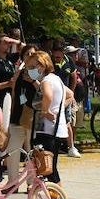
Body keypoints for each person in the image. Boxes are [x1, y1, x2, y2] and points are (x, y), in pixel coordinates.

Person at [25, 51, 70, 182]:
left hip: (48, 130)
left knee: (48, 168)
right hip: (56, 128)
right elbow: (70, 94)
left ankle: (56, 194)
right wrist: (59, 109)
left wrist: (45, 111)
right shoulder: (56, 79)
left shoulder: (46, 81)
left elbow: (48, 96)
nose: (31, 70)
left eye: (32, 67)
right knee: (51, 168)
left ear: (42, 66)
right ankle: (55, 193)